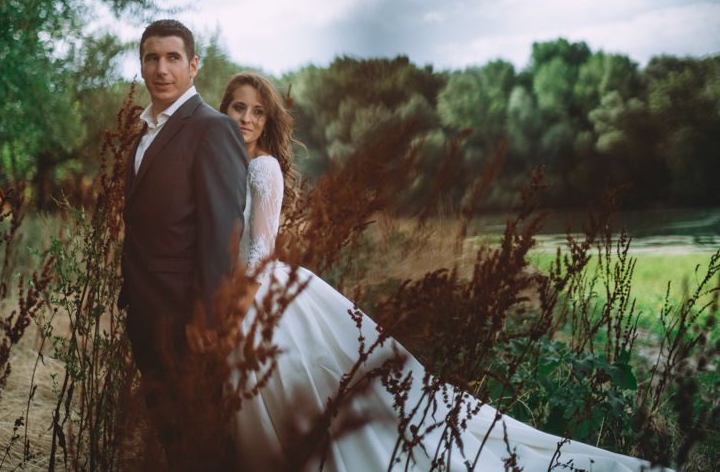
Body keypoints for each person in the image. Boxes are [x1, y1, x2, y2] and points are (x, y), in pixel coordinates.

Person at [218, 71, 669, 472]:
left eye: (258, 111)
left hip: (257, 291)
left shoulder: (263, 167)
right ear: (224, 109)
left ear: (268, 121)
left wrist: (232, 307)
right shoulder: (224, 163)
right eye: (239, 107)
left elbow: (260, 251)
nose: (247, 118)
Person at [119, 19, 247, 386]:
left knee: (192, 419)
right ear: (141, 65)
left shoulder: (213, 128)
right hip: (144, 311)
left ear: (193, 66)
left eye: (173, 58)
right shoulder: (146, 130)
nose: (161, 69)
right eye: (152, 58)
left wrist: (207, 316)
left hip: (186, 318)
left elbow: (223, 230)